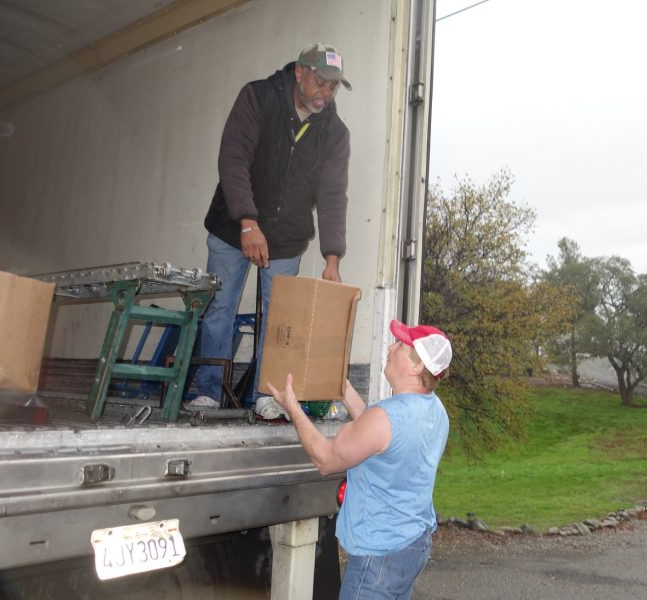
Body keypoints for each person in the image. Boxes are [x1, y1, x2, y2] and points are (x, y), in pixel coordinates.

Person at [194, 42, 352, 405]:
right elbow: (233, 157)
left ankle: (267, 396)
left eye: (333, 86)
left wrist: (332, 259)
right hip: (232, 228)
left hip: (285, 239)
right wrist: (248, 224)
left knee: (281, 321)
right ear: (299, 73)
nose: (325, 93)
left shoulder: (335, 134)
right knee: (220, 309)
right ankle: (208, 393)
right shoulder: (258, 98)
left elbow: (333, 196)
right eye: (319, 82)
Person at [266, 320, 452, 600]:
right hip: (412, 545)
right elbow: (378, 437)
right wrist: (344, 387)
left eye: (400, 345)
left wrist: (292, 407)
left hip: (380, 556)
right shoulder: (435, 410)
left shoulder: (385, 418)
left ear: (416, 367)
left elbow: (325, 459)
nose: (391, 347)